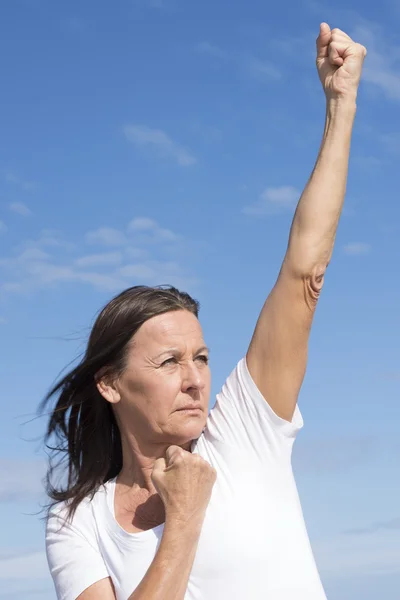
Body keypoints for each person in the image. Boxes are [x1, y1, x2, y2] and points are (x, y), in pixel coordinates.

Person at [43, 23, 367, 600]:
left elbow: (304, 277)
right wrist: (184, 519)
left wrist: (341, 105)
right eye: (169, 361)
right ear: (111, 383)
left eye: (201, 357)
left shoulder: (244, 433)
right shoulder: (78, 522)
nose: (196, 380)